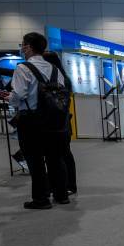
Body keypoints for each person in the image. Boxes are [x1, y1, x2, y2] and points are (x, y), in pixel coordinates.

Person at [7, 32, 69, 209]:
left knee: (35, 161)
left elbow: (18, 94)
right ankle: (61, 195)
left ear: (27, 47)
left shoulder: (23, 68)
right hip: (56, 120)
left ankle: (41, 199)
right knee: (56, 159)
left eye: (23, 45)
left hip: (31, 121)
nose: (21, 48)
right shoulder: (55, 70)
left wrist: (10, 99)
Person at [42, 51, 77, 195]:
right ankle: (59, 185)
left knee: (63, 155)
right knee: (58, 155)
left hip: (58, 122)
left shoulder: (59, 80)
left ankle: (67, 186)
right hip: (61, 122)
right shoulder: (63, 78)